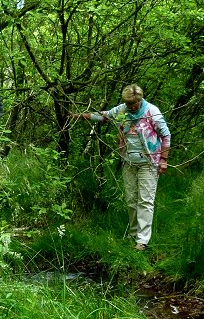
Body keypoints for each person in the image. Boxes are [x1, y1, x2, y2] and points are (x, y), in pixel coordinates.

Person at [70, 84, 170, 251]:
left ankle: (142, 241)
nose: (131, 107)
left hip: (149, 162)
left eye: (134, 104)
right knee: (131, 200)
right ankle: (133, 234)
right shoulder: (121, 110)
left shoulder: (151, 111)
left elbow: (166, 135)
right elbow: (104, 117)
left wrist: (163, 160)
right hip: (128, 161)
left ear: (140, 100)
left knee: (145, 201)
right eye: (128, 103)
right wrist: (80, 116)